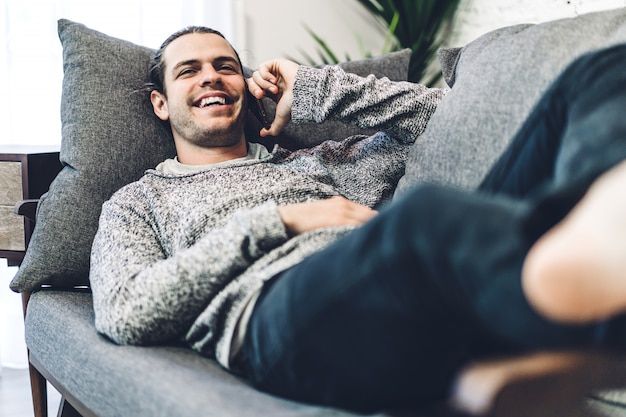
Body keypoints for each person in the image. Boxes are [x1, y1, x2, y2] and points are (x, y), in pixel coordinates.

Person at [89, 24, 626, 413]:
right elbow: (125, 311)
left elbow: (455, 120)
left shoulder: (323, 163)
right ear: (162, 104)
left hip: (416, 282)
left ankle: (589, 261)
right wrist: (279, 221)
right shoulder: (139, 201)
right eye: (190, 71)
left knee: (603, 71)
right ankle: (589, 301)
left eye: (226, 66)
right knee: (423, 220)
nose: (213, 78)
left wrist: (316, 87)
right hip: (273, 314)